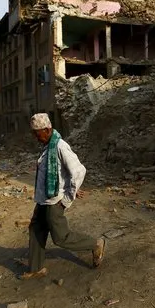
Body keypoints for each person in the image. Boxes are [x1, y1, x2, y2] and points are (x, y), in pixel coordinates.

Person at [20, 113, 105, 280]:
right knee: (36, 230)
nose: (36, 138)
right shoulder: (47, 146)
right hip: (43, 200)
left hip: (55, 201)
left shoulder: (59, 146)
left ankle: (95, 243)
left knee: (60, 237)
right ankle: (36, 268)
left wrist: (67, 198)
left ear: (47, 130)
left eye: (37, 134)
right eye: (34, 134)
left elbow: (79, 171)